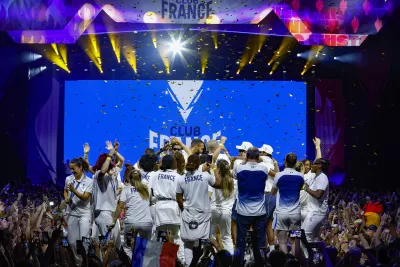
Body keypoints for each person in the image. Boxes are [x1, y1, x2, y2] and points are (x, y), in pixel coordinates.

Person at [176, 154, 221, 266]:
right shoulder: (205, 176)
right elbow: (219, 184)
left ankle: (189, 265)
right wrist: (214, 168)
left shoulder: (181, 179)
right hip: (203, 214)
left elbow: (179, 199)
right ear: (198, 164)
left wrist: (185, 208)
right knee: (204, 240)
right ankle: (204, 263)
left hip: (188, 214)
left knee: (187, 243)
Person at [233, 147, 276, 265]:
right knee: (257, 242)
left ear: (247, 156)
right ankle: (259, 264)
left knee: (240, 242)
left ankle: (239, 264)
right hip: (259, 213)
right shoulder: (263, 168)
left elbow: (235, 176)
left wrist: (244, 161)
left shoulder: (239, 167)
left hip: (243, 212)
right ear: (258, 157)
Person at [149, 155, 184, 262]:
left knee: (160, 237)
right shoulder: (178, 177)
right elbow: (182, 195)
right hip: (174, 207)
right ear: (173, 163)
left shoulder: (154, 175)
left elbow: (150, 193)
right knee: (175, 237)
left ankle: (160, 262)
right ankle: (178, 262)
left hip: (159, 207)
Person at [110, 169, 152, 258]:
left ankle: (130, 264)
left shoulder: (126, 190)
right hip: (147, 223)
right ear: (140, 178)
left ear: (129, 179)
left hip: (132, 223)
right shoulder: (147, 188)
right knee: (145, 247)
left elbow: (120, 206)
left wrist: (113, 222)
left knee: (128, 248)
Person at [91, 141, 125, 242]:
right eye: (112, 165)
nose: (115, 168)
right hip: (103, 212)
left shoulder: (112, 175)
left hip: (110, 212)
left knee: (113, 243)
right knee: (107, 243)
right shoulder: (99, 175)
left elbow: (122, 160)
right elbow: (103, 170)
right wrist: (110, 155)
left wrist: (114, 150)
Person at [271, 153, 304, 254]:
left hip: (282, 214)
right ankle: (295, 263)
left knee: (282, 241)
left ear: (285, 161)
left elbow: (273, 192)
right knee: (295, 241)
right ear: (295, 163)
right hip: (296, 215)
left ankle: (284, 263)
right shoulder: (301, 176)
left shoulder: (278, 175)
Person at [63, 157, 93, 252]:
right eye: (71, 168)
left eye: (73, 168)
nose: (72, 171)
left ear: (80, 167)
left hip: (84, 214)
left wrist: (74, 190)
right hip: (72, 213)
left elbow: (85, 197)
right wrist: (66, 197)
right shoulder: (68, 179)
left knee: (84, 240)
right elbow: (65, 190)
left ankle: (85, 262)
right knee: (71, 242)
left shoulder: (89, 181)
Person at [302, 157, 330, 242]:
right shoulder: (316, 177)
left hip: (317, 212)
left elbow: (318, 195)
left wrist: (305, 188)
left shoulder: (322, 177)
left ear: (319, 166)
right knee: (310, 236)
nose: (311, 166)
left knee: (305, 234)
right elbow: (306, 184)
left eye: (314, 164)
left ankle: (308, 255)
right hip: (312, 211)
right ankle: (315, 253)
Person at [259, 144, 279, 252]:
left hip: (268, 194)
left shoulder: (264, 162)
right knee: (269, 224)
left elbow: (276, 175)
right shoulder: (270, 161)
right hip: (272, 195)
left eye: (261, 152)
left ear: (265, 153)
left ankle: (262, 250)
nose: (260, 153)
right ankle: (271, 250)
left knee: (262, 222)